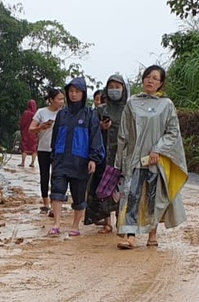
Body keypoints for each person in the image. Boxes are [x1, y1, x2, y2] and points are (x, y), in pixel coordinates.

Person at [116, 65, 188, 249]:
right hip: (134, 159)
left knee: (152, 198)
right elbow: (123, 133)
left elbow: (172, 132)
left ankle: (152, 234)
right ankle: (130, 235)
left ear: (161, 83)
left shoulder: (166, 105)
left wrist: (158, 149)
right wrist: (120, 160)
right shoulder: (132, 103)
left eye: (155, 78)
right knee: (131, 196)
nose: (150, 80)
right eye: (147, 76)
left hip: (156, 160)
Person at [47, 76, 105, 238]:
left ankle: (75, 225)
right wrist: (54, 154)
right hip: (61, 159)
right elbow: (55, 136)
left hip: (81, 161)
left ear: (83, 93)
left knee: (79, 195)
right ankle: (56, 223)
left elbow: (95, 137)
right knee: (57, 191)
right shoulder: (62, 114)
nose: (73, 94)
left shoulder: (90, 114)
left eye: (77, 91)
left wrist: (93, 159)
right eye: (71, 91)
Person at [85, 74, 129, 232]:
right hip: (103, 155)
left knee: (121, 188)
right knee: (103, 188)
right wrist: (101, 127)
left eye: (117, 87)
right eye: (111, 87)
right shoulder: (100, 110)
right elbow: (90, 131)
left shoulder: (129, 109)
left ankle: (120, 220)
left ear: (123, 89)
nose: (114, 90)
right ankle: (106, 222)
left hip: (123, 154)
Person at [29, 87, 64, 214]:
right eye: (59, 99)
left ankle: (55, 205)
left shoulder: (64, 113)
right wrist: (41, 127)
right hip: (43, 149)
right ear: (51, 100)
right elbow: (30, 129)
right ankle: (45, 203)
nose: (61, 102)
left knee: (57, 177)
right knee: (44, 176)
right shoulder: (41, 112)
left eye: (62, 99)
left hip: (59, 150)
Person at [18, 99, 39, 167]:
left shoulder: (26, 113)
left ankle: (23, 162)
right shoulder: (37, 113)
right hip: (34, 133)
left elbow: (22, 123)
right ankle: (32, 163)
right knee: (34, 149)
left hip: (26, 133)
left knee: (24, 148)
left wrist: (22, 130)